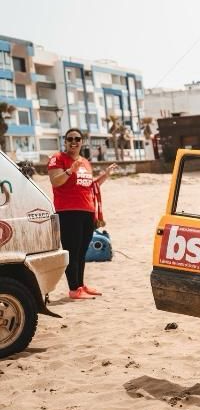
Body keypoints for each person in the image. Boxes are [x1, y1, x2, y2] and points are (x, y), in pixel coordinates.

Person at [48, 129, 118, 300]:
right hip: (68, 212)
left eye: (77, 139)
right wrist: (70, 170)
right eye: (70, 139)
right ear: (65, 141)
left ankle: (80, 286)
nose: (74, 142)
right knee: (72, 251)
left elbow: (90, 186)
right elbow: (55, 181)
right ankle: (73, 289)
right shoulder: (57, 158)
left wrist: (105, 176)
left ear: (82, 141)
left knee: (82, 251)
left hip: (87, 212)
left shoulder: (85, 161)